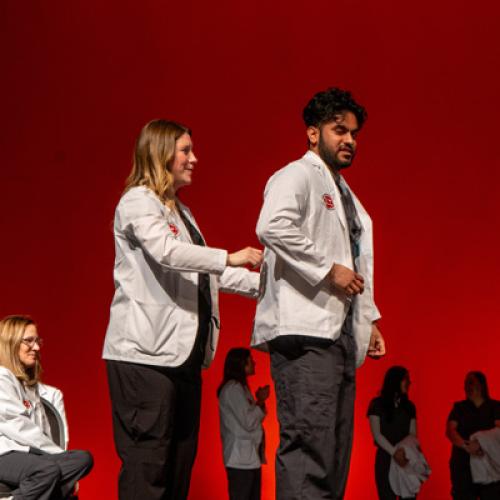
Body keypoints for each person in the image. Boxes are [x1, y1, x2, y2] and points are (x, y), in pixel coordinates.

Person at [103, 120, 263, 500]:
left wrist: (268, 288)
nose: (195, 159)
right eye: (186, 150)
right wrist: (229, 255)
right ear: (160, 153)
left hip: (183, 359)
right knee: (149, 465)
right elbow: (167, 252)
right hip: (145, 358)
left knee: (178, 467)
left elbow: (208, 276)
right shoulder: (137, 201)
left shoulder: (182, 213)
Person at [252, 87, 386, 499]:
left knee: (334, 454)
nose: (349, 140)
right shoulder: (297, 174)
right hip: (306, 336)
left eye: (354, 133)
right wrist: (329, 272)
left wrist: (370, 319)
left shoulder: (345, 193)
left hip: (338, 337)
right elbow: (272, 225)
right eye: (338, 130)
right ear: (313, 134)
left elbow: (353, 260)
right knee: (308, 449)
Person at [0, 315, 93, 500]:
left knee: (83, 459)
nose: (36, 347)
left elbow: (44, 431)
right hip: (4, 453)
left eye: (37, 341)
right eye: (29, 341)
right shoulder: (2, 376)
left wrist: (60, 457)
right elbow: (17, 426)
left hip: (30, 456)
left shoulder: (29, 385)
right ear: (11, 343)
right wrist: (57, 455)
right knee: (46, 470)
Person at [218, 348, 269, 500]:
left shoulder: (241, 388)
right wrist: (260, 401)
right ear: (241, 364)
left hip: (248, 459)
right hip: (240, 461)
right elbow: (249, 421)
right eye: (250, 359)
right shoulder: (232, 389)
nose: (254, 362)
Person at [368, 366, 420, 499]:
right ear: (395, 380)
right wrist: (394, 452)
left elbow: (413, 434)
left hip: (406, 457)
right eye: (405, 379)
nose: (409, 382)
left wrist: (403, 451)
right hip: (386, 459)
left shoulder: (409, 406)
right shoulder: (377, 404)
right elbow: (377, 435)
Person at [446, 371, 500, 499]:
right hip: (463, 468)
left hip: (489, 468)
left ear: (481, 385)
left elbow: (499, 430)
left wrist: (480, 443)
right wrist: (466, 446)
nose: (467, 386)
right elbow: (450, 431)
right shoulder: (459, 407)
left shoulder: (495, 406)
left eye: (471, 382)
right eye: (466, 383)